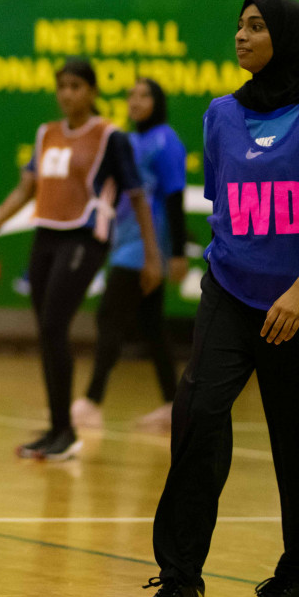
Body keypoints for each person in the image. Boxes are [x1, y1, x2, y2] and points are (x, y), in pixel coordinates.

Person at [139, 0, 299, 597]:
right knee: (196, 418)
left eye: (256, 26)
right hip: (230, 292)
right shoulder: (220, 115)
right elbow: (227, 205)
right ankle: (180, 580)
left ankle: (297, 580)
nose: (241, 36)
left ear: (290, 37)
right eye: (239, 25)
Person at [0, 57, 163, 461]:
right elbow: (25, 189)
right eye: (62, 86)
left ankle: (67, 432)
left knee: (56, 323)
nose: (67, 94)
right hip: (46, 237)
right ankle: (58, 429)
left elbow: (138, 197)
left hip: (85, 238)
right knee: (46, 330)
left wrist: (152, 255)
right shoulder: (47, 134)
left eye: (76, 86)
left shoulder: (111, 136)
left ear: (92, 91)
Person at [73, 77, 189, 434]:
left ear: (158, 101)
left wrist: (177, 254)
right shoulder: (127, 139)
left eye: (144, 95)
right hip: (123, 239)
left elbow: (174, 197)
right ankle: (174, 405)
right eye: (130, 96)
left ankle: (92, 402)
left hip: (146, 244)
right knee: (151, 325)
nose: (135, 101)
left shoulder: (166, 141)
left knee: (110, 316)